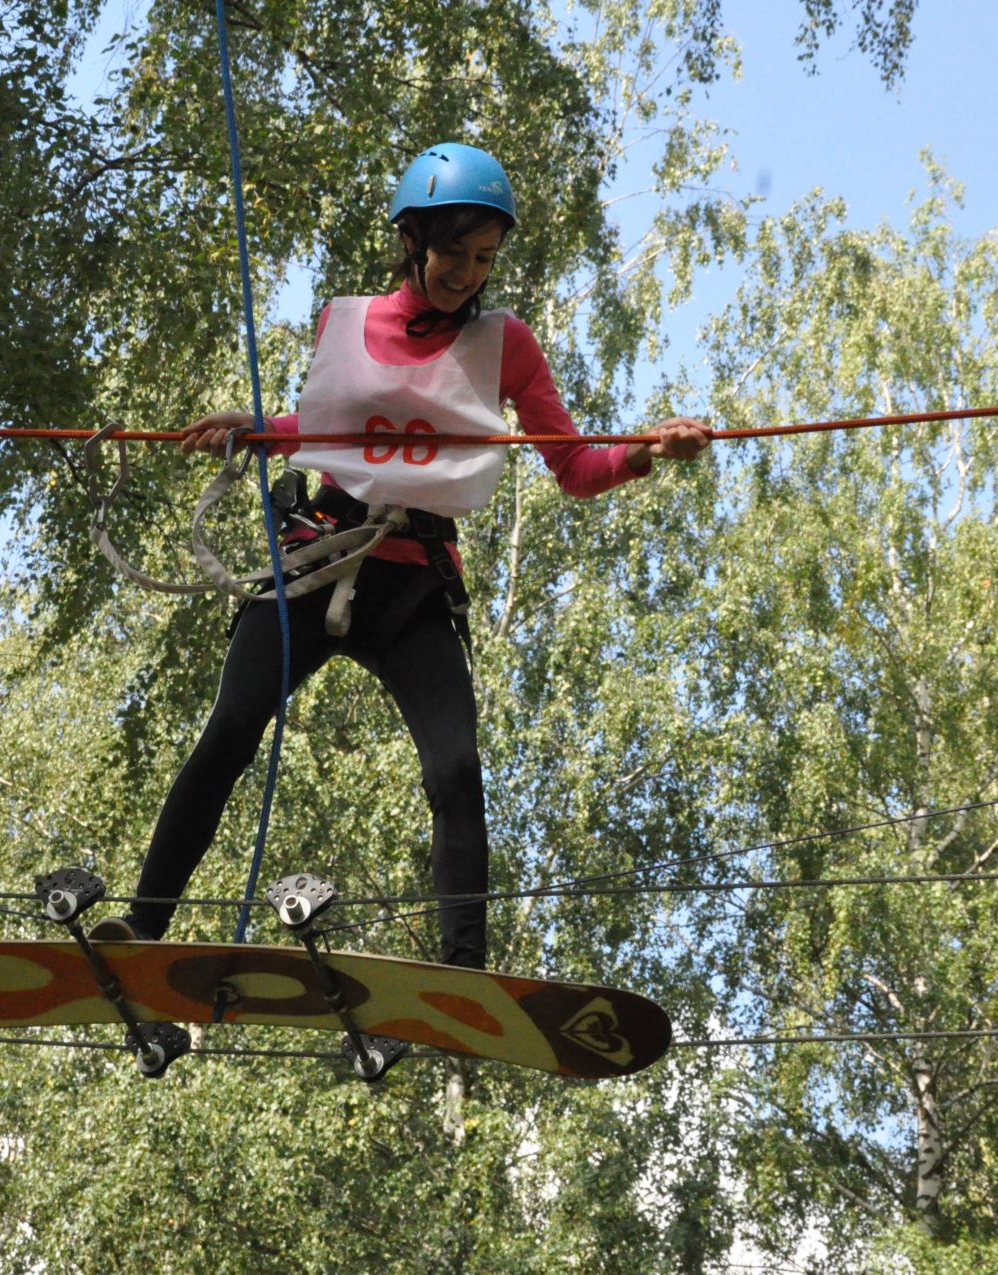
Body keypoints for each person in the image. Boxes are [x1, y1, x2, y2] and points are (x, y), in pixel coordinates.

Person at [92, 142, 709, 968]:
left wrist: (646, 451)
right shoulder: (345, 321)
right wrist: (254, 429)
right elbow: (324, 433)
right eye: (454, 251)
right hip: (317, 561)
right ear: (412, 239)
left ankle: (462, 970)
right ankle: (145, 923)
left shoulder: (506, 344)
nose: (467, 272)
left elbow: (574, 466)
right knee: (232, 727)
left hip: (414, 585)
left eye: (484, 257)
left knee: (455, 770)